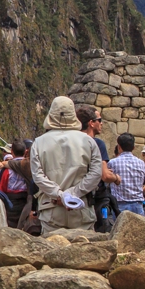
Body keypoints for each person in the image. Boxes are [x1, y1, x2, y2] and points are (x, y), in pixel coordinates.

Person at [29, 96, 103, 233]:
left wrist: (59, 195)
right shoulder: (88, 142)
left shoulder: (38, 143)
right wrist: (73, 194)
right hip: (81, 207)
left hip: (51, 209)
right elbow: (95, 174)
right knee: (84, 248)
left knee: (52, 249)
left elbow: (38, 176)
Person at [78, 105, 121, 231]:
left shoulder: (72, 142)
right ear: (91, 123)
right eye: (99, 120)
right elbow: (105, 176)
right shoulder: (97, 143)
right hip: (96, 197)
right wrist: (116, 178)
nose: (102, 124)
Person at [0, 141, 38, 233]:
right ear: (25, 151)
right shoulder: (35, 164)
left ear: (11, 152)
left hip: (10, 201)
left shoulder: (10, 168)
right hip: (28, 199)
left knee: (11, 228)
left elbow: (1, 187)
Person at [108, 133, 145, 216]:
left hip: (120, 206)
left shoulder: (112, 163)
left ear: (119, 147)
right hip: (138, 205)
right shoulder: (141, 163)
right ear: (133, 148)